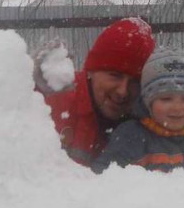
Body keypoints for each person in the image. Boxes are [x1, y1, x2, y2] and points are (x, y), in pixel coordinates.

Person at [36, 18, 156, 166]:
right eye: (115, 75)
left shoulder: (152, 122)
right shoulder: (52, 103)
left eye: (135, 82)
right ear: (91, 71)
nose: (123, 91)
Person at [91, 47, 184, 173]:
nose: (177, 108)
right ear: (148, 102)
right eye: (166, 98)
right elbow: (104, 179)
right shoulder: (131, 136)